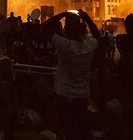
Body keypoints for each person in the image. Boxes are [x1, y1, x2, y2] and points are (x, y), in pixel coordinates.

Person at [41, 10, 101, 140]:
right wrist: (86, 18)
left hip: (64, 93)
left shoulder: (65, 45)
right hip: (82, 95)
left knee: (64, 128)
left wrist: (62, 14)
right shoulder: (90, 45)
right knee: (80, 127)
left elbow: (44, 28)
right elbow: (98, 36)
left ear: (66, 30)